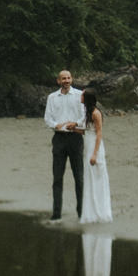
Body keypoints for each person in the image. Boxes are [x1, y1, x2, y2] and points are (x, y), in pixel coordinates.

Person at [43, 69, 85, 220]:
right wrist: (58, 125)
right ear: (58, 81)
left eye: (68, 78)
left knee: (79, 177)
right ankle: (56, 213)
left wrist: (75, 124)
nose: (66, 81)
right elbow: (47, 118)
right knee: (57, 177)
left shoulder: (79, 95)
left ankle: (81, 212)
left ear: (71, 79)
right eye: (63, 78)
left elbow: (84, 116)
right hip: (59, 138)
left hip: (75, 138)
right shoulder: (52, 97)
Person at [81, 86, 113, 224]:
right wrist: (73, 128)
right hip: (87, 145)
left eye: (82, 95)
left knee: (98, 177)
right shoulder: (87, 112)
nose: (80, 97)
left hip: (95, 146)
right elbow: (86, 131)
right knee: (89, 177)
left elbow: (99, 134)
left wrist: (94, 154)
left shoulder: (96, 113)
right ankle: (90, 212)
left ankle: (101, 212)